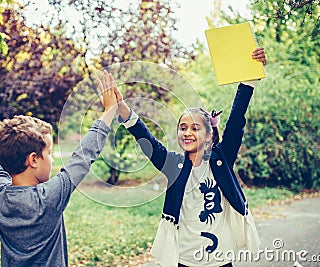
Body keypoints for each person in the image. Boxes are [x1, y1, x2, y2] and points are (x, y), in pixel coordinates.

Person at [100, 48, 267, 267]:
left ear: (208, 136)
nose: (187, 132)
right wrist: (122, 107)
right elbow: (145, 138)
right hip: (186, 260)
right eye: (183, 127)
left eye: (195, 128)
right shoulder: (173, 164)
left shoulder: (221, 158)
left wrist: (248, 81)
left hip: (221, 260)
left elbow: (236, 121)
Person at [0, 76, 117, 267]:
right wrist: (110, 111)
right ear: (33, 159)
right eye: (48, 153)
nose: (52, 159)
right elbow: (82, 157)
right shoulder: (48, 198)